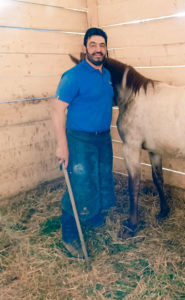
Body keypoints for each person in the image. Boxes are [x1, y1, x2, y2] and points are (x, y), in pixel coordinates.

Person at [51, 28, 115, 257]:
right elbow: (58, 110)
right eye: (93, 44)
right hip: (79, 140)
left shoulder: (106, 75)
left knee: (99, 177)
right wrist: (62, 145)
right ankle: (69, 234)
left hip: (103, 138)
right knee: (79, 185)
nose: (98, 49)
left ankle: (92, 214)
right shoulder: (73, 75)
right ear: (84, 48)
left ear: (106, 49)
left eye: (102, 45)